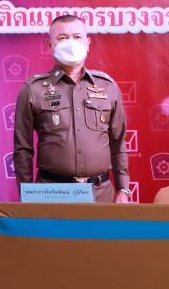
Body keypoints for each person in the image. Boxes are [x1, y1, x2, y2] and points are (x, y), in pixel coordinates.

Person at [14, 14, 130, 203]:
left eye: (77, 37)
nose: (71, 43)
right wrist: (26, 193)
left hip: (101, 194)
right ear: (50, 45)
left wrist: (123, 189)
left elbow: (118, 143)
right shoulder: (33, 89)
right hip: (51, 194)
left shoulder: (107, 86)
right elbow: (22, 149)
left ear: (87, 43)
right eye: (62, 38)